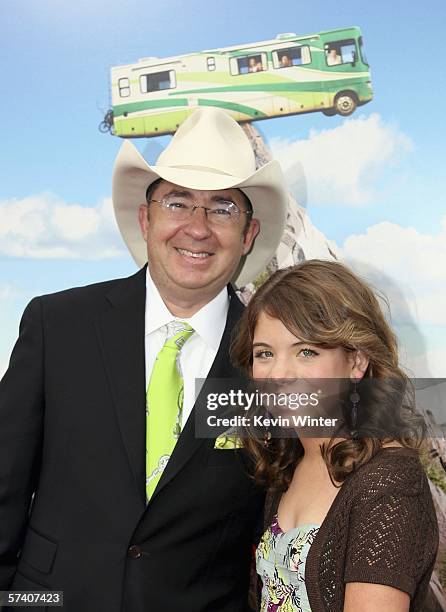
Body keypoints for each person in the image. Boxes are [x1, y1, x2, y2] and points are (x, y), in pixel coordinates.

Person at [0, 108, 289, 611]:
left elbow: (372, 423)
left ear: (248, 234)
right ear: (145, 217)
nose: (197, 229)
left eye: (222, 208)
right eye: (177, 202)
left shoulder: (274, 358)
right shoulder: (58, 324)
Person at [231, 260, 438, 612]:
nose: (279, 373)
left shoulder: (388, 483)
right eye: (264, 353)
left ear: (356, 362)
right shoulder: (291, 461)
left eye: (307, 351)